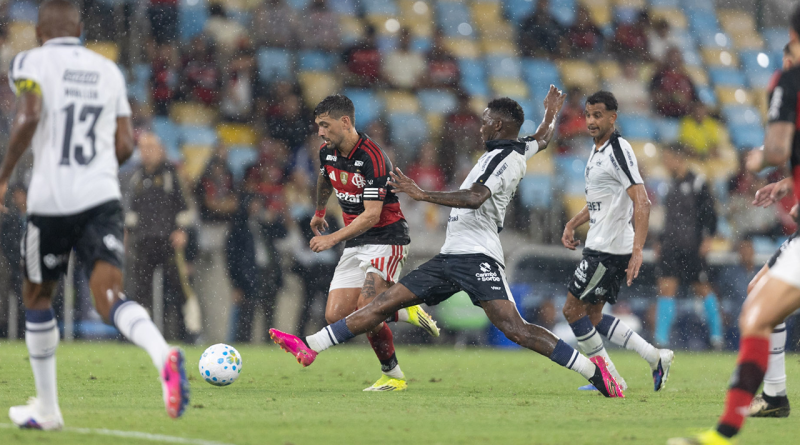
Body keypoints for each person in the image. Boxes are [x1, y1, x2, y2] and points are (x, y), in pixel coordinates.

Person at [270, 88, 627, 398]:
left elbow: (474, 197)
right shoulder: (518, 147)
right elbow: (544, 137)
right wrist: (550, 112)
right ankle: (311, 345)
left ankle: (596, 373)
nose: (481, 124)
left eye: (486, 120)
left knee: (516, 329)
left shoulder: (503, 159)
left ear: (499, 126)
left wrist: (421, 193)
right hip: (451, 255)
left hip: (477, 257)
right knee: (382, 303)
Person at [0, 0, 189, 429]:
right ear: (80, 28)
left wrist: (5, 174)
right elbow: (124, 144)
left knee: (38, 296)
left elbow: (28, 115)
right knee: (109, 296)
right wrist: (95, 166)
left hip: (50, 200)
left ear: (41, 32)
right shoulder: (107, 70)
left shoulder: (29, 61)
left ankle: (48, 408)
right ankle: (162, 354)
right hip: (100, 195)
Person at [668, 9, 800, 444]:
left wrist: (757, 160)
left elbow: (777, 147)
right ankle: (774, 396)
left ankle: (725, 432)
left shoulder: (789, 80)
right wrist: (788, 186)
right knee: (759, 295)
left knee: (756, 313)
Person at [273, 94, 440, 391]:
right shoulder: (327, 151)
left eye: (325, 125)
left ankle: (390, 373)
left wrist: (331, 238)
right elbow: (325, 178)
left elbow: (373, 215)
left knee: (366, 307)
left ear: (345, 122)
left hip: (386, 238)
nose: (320, 132)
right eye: (317, 126)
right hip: (355, 241)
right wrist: (320, 211)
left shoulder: (373, 157)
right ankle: (401, 311)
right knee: (336, 315)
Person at [560, 91, 672, 393]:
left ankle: (608, 379)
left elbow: (642, 201)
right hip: (604, 244)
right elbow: (601, 200)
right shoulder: (597, 151)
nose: (592, 121)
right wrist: (573, 223)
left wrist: (638, 250)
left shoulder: (618, 149)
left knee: (572, 311)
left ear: (613, 117)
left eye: (598, 115)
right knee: (593, 316)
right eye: (588, 114)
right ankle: (655, 357)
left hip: (607, 249)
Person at [654, 143, 721, 349]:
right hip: (671, 247)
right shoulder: (669, 185)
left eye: (667, 158)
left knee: (702, 289)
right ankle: (661, 340)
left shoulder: (697, 182)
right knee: (666, 288)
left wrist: (708, 238)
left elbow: (711, 213)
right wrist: (660, 240)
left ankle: (717, 337)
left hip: (692, 246)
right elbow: (668, 219)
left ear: (678, 157)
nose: (665, 163)